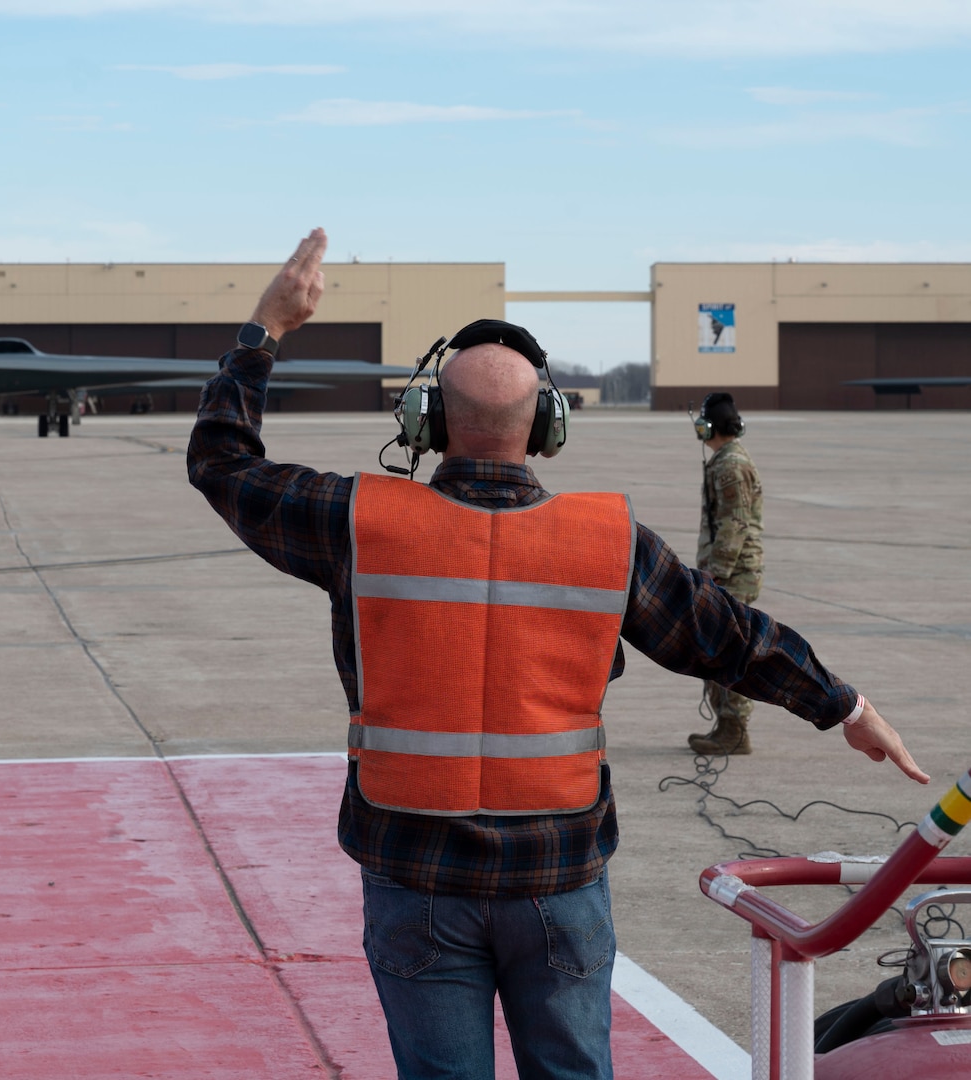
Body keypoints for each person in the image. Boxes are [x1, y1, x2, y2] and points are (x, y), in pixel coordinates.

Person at [186, 227, 930, 1080]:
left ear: (425, 419)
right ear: (548, 427)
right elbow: (727, 636)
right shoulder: (608, 542)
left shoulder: (358, 522)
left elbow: (220, 459)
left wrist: (266, 328)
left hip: (413, 873)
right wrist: (845, 706)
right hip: (558, 878)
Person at [689, 392, 764, 755]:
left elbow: (734, 524)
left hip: (733, 576)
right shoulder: (725, 460)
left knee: (729, 651)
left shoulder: (730, 465)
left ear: (708, 427)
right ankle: (728, 726)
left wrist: (715, 574)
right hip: (728, 573)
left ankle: (734, 730)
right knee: (720, 650)